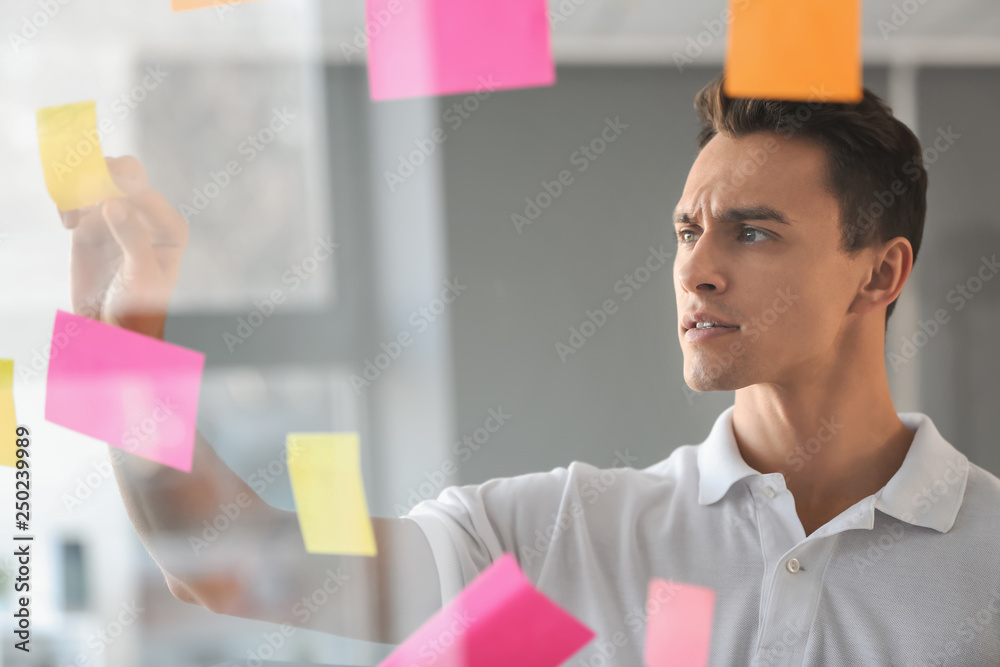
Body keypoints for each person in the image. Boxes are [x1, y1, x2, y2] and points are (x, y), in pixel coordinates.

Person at [62, 73, 1000, 665]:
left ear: (879, 273)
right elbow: (229, 563)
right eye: (687, 230)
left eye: (752, 232)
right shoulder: (568, 535)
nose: (696, 268)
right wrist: (116, 344)